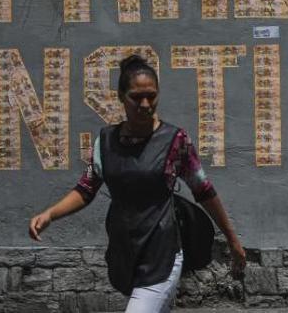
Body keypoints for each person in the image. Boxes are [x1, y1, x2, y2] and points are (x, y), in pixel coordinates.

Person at [28, 54, 246, 312]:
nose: (145, 104)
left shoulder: (175, 141)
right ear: (121, 96)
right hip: (125, 251)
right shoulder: (106, 141)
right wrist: (50, 214)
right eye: (136, 97)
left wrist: (233, 240)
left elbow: (204, 190)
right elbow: (86, 189)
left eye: (151, 96)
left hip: (162, 252)